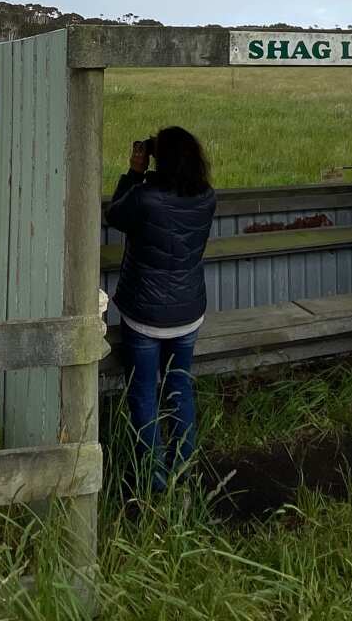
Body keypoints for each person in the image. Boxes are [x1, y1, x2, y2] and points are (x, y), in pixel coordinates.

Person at [104, 125, 217, 492]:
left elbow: (115, 216)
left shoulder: (146, 198)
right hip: (188, 314)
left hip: (146, 317)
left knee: (144, 394)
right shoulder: (206, 197)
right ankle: (183, 471)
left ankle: (153, 479)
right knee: (180, 389)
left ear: (160, 161)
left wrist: (136, 171)